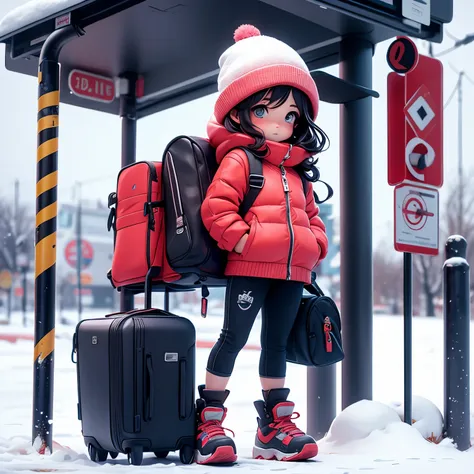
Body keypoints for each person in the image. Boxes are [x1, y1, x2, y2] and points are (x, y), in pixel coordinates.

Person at [196, 24, 329, 465]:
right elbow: (217, 209)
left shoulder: (296, 170)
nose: (279, 123)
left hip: (294, 273)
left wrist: (316, 245)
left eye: (290, 115)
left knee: (275, 344)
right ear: (240, 111)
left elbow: (312, 217)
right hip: (250, 268)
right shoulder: (239, 159)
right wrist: (246, 241)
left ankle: (274, 425)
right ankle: (209, 418)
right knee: (233, 337)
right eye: (265, 111)